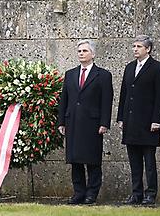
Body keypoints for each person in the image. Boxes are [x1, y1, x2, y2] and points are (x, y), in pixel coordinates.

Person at [58, 39, 113, 205]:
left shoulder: (103, 75)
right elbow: (64, 100)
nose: (81, 53)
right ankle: (79, 193)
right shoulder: (70, 74)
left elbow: (106, 101)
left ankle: (91, 194)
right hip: (73, 122)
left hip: (92, 124)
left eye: (84, 51)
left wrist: (104, 123)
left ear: (93, 54)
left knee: (92, 160)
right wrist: (61, 121)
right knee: (75, 160)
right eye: (79, 51)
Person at [117, 35, 160, 205]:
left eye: (138, 46)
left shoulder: (158, 68)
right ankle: (136, 193)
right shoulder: (129, 68)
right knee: (134, 162)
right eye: (134, 46)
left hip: (148, 124)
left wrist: (157, 120)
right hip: (131, 122)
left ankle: (150, 194)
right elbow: (124, 94)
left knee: (149, 161)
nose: (135, 49)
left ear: (148, 49)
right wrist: (121, 118)